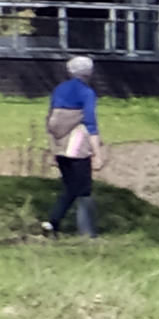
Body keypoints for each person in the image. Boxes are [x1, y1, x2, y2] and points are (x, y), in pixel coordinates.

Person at [42, 51, 101, 237]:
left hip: (59, 145)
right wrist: (98, 154)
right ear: (88, 72)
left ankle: (54, 224)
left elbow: (52, 120)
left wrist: (53, 150)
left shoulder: (59, 89)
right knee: (83, 189)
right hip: (78, 147)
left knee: (70, 187)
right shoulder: (87, 93)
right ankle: (85, 232)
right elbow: (90, 123)